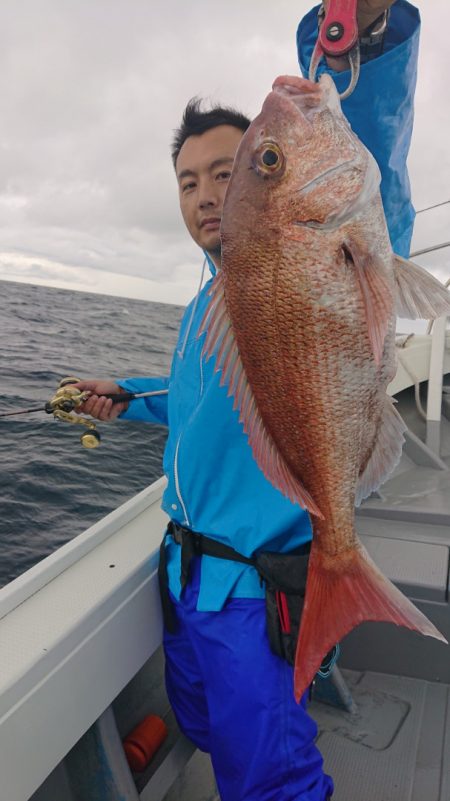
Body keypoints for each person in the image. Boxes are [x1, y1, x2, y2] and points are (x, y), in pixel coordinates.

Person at [75, 3, 421, 798]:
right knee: (199, 719)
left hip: (249, 594)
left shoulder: (323, 247)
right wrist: (127, 398)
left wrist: (363, 42)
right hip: (184, 573)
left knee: (265, 773)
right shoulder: (210, 302)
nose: (205, 195)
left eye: (231, 173)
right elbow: (202, 403)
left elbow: (361, 152)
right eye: (188, 181)